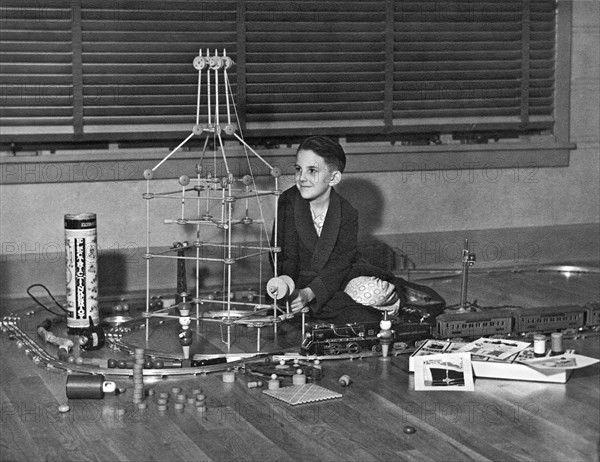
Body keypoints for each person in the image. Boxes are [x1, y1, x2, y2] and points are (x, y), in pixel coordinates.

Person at [274, 136, 400, 325]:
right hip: (297, 283)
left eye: (312, 171)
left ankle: (391, 305)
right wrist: (288, 290)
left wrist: (310, 293)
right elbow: (281, 255)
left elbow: (341, 264)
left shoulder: (347, 212)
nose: (301, 178)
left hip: (338, 279)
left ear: (334, 178)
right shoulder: (287, 201)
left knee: (374, 293)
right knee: (357, 317)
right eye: (298, 169)